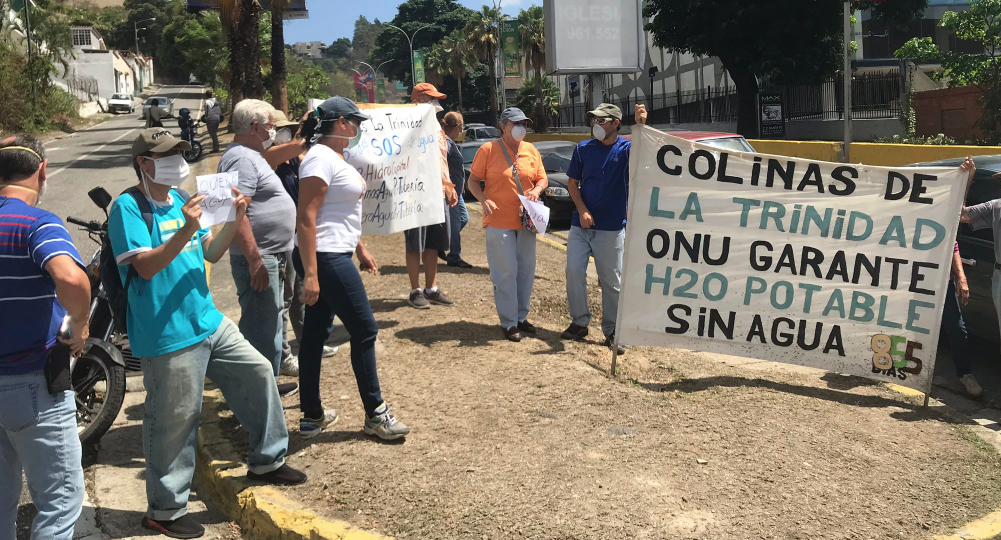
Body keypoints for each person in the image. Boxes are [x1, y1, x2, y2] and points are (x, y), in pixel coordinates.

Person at [109, 128, 306, 538]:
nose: (177, 161)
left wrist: (236, 218)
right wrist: (185, 229)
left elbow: (211, 252)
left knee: (257, 371)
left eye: (180, 153)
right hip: (167, 335)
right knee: (174, 420)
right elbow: (144, 266)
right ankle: (164, 510)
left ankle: (268, 459)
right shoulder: (128, 208)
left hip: (208, 321)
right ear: (144, 163)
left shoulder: (182, 200)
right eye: (165, 155)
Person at [294, 96, 410, 440]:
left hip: (335, 252)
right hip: (326, 256)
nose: (358, 127)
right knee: (365, 330)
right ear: (341, 123)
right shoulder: (318, 159)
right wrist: (312, 274)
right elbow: (306, 217)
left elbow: (338, 212)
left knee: (315, 334)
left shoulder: (334, 157)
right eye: (354, 121)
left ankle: (312, 415)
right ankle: (376, 414)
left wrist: (359, 247)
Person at [0, 135, 89, 540]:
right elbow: (71, 277)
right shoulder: (36, 222)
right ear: (42, 170)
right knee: (59, 501)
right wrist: (80, 321)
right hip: (30, 383)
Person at [218, 99, 299, 395]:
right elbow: (235, 214)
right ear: (255, 127)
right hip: (261, 257)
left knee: (269, 323)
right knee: (259, 328)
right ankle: (255, 393)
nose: (274, 130)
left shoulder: (250, 154)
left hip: (270, 254)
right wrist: (255, 260)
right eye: (270, 125)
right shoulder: (241, 158)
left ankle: (265, 386)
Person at [561, 103, 647, 354]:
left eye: (602, 121)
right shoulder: (583, 149)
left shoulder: (627, 149)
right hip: (580, 226)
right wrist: (582, 210)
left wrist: (641, 125)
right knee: (574, 271)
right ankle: (579, 322)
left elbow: (648, 152)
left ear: (616, 123)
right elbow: (572, 183)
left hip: (611, 229)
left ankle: (612, 331)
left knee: (612, 282)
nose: (596, 125)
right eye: (594, 120)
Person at [467, 107, 548, 342]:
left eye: (524, 123)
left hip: (526, 221)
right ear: (504, 127)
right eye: (516, 124)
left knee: (525, 271)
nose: (522, 127)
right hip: (499, 221)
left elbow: (542, 177)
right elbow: (473, 181)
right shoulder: (488, 150)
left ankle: (522, 317)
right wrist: (483, 200)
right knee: (505, 272)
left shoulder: (531, 150)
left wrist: (536, 189)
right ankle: (509, 321)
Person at [270, 110, 339, 376]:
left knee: (301, 296)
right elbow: (298, 146)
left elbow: (307, 155)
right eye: (281, 129)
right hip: (284, 239)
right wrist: (307, 127)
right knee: (286, 300)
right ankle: (285, 356)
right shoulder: (271, 160)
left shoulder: (294, 162)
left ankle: (310, 341)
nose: (285, 133)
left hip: (297, 237)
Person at [404, 83, 459, 309]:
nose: (435, 104)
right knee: (415, 243)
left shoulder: (437, 126)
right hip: (415, 191)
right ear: (418, 100)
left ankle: (431, 289)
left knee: (434, 243)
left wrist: (449, 185)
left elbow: (441, 160)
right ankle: (416, 290)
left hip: (438, 192)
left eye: (435, 99)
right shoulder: (406, 124)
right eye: (431, 99)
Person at [943, 240, 983, 397]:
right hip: (913, 279)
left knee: (957, 329)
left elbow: (953, 246)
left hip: (944, 284)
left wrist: (961, 277)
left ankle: (965, 374)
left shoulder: (944, 217)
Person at [442, 111, 473, 269]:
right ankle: (454, 255)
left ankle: (441, 244)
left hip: (457, 191)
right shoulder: (446, 141)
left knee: (462, 218)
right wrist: (448, 186)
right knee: (455, 223)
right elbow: (440, 163)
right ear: (458, 126)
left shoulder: (450, 141)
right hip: (451, 190)